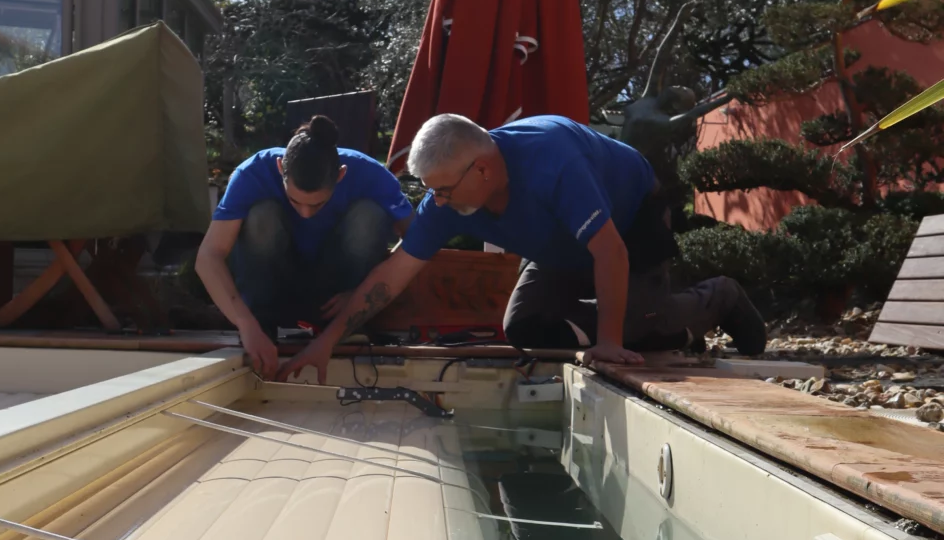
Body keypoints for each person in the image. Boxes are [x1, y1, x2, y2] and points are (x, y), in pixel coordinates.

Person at [278, 113, 766, 383]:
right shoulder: (448, 195)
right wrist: (327, 341)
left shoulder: (553, 160)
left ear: (483, 170)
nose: (437, 202)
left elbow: (610, 252)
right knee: (523, 327)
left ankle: (716, 298)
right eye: (431, 191)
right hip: (558, 246)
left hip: (628, 225)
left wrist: (610, 342)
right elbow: (393, 274)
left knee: (626, 335)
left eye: (443, 190)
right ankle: (653, 326)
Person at [196, 115, 415, 377]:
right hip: (272, 291)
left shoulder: (371, 175)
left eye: (317, 204)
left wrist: (364, 292)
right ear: (280, 168)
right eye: (294, 201)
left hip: (337, 299)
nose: (305, 214)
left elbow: (418, 246)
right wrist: (245, 323)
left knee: (369, 215)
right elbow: (209, 255)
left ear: (342, 175)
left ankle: (348, 329)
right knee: (262, 215)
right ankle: (263, 325)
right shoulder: (251, 173)